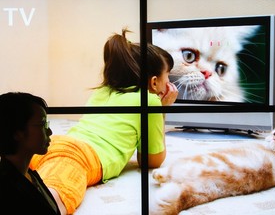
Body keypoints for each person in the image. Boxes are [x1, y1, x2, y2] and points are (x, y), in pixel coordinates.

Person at [30, 28, 178, 214]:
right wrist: (161, 111)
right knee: (53, 198)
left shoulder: (103, 91)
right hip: (79, 157)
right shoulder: (149, 101)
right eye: (168, 76)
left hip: (55, 145)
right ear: (154, 82)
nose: (169, 82)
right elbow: (151, 160)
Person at [0, 92, 61, 215]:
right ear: (17, 132)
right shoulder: (7, 192)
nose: (49, 131)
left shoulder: (29, 175)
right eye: (42, 124)